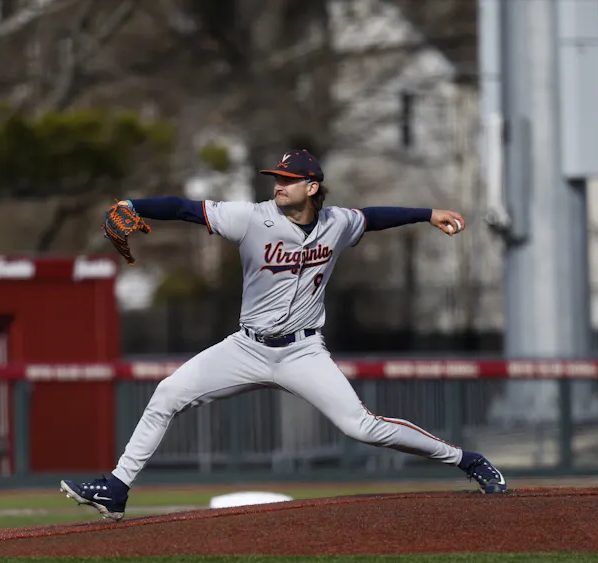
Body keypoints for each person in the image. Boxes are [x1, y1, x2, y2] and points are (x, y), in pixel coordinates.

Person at [61, 149, 508, 521]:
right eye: (277, 178)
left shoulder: (337, 223)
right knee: (167, 394)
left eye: (289, 180)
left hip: (303, 352)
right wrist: (134, 205)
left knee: (362, 427)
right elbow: (185, 208)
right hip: (246, 347)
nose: (279, 185)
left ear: (312, 187)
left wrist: (428, 214)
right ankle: (116, 488)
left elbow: (373, 217)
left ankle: (466, 459)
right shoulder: (251, 218)